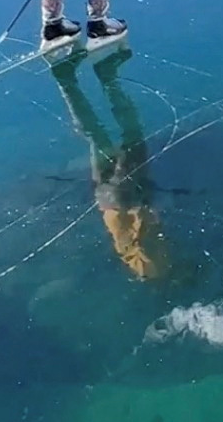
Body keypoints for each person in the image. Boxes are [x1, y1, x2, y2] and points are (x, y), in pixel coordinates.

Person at [49, 49, 171, 280]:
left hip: (126, 197)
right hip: (108, 200)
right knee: (96, 136)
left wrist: (147, 216)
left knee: (132, 135)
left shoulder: (153, 270)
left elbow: (140, 242)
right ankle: (66, 79)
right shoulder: (144, 263)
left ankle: (106, 76)